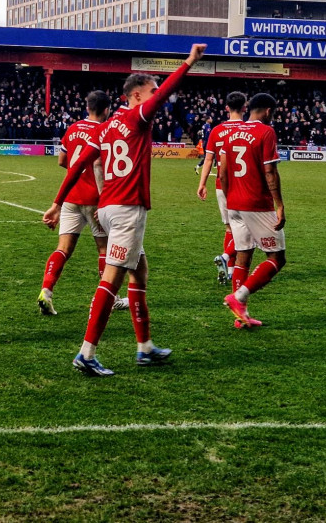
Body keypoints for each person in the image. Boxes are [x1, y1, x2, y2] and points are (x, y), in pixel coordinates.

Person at [43, 43, 208, 377]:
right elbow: (164, 96)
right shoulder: (135, 117)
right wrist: (189, 61)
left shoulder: (106, 127)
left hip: (107, 207)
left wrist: (58, 202)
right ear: (135, 96)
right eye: (151, 91)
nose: (157, 95)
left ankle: (145, 347)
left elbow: (76, 166)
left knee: (139, 272)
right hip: (126, 209)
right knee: (112, 279)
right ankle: (86, 353)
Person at [37, 90, 130, 316]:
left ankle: (46, 292)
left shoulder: (73, 128)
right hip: (95, 200)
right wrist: (103, 199)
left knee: (63, 249)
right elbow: (99, 165)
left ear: (87, 107)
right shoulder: (105, 131)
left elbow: (63, 161)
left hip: (71, 198)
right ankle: (112, 298)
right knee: (104, 249)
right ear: (107, 110)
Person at [219, 93, 287, 328]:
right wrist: (279, 204)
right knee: (277, 257)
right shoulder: (266, 132)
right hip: (257, 204)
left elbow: (223, 174)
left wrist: (230, 200)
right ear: (268, 111)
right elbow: (270, 172)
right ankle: (239, 297)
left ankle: (241, 317)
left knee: (243, 255)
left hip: (234, 203)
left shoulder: (230, 134)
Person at [195, 91, 247, 288]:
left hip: (220, 185)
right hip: (243, 185)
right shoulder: (249, 129)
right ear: (244, 107)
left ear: (226, 108)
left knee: (229, 228)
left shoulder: (216, 130)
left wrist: (201, 184)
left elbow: (208, 159)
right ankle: (227, 259)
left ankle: (231, 270)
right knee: (247, 228)